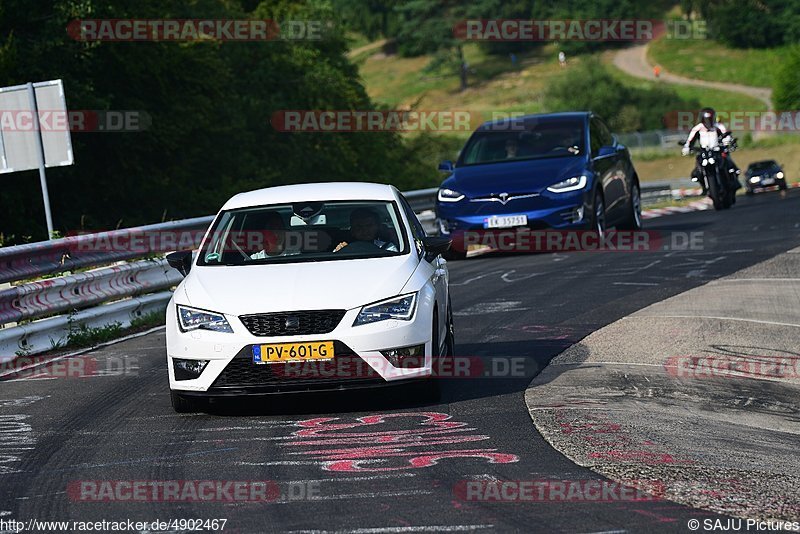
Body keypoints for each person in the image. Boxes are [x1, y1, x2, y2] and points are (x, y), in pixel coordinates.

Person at [681, 107, 741, 195]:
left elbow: (726, 135)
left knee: (727, 159)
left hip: (717, 150)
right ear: (702, 119)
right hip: (704, 152)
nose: (708, 122)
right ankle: (703, 184)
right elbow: (690, 140)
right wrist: (687, 147)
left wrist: (728, 141)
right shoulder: (697, 128)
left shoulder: (718, 126)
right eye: (706, 120)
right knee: (698, 164)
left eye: (710, 119)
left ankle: (733, 178)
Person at [333, 208, 398, 253]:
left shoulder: (388, 248)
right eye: (359, 226)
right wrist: (339, 251)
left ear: (377, 227)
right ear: (352, 230)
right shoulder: (343, 248)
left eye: (369, 226)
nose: (365, 230)